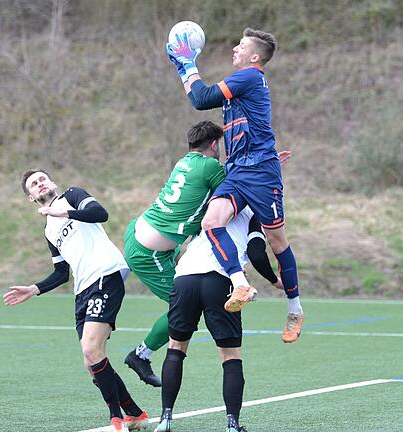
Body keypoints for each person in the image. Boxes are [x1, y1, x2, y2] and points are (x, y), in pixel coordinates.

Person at [167, 27, 303, 342]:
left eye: (240, 46)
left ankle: (295, 308)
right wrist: (179, 63)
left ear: (255, 57)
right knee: (212, 221)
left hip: (260, 174)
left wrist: (187, 64)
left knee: (277, 242)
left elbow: (201, 99)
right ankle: (240, 283)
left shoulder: (250, 77)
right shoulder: (242, 83)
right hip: (238, 171)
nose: (234, 49)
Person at [4, 169, 148, 432]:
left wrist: (64, 212)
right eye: (33, 185)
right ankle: (135, 413)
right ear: (30, 198)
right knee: (91, 360)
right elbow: (61, 273)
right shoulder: (49, 230)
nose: (40, 184)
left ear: (52, 183)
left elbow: (100, 214)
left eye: (42, 179)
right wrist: (33, 289)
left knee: (91, 350)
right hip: (82, 289)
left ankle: (116, 421)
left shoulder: (72, 196)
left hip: (105, 274)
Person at [154, 208, 279, 432]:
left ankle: (165, 419)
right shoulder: (253, 212)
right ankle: (232, 424)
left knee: (176, 348)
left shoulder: (213, 204)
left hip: (185, 278)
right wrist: (275, 280)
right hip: (220, 279)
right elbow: (257, 254)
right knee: (230, 356)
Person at [123, 120, 226, 387]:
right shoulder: (210, 166)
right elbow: (232, 192)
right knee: (184, 307)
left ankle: (144, 354)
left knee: (187, 304)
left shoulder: (185, 162)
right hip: (148, 254)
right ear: (214, 144)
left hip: (143, 234)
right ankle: (140, 355)